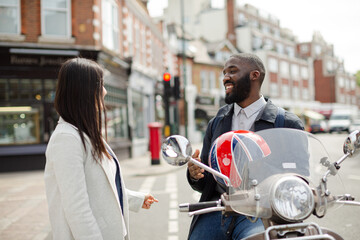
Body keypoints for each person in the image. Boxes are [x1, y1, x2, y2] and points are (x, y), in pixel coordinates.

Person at [187, 53, 304, 239]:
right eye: (224, 73)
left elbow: (300, 181)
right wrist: (196, 175)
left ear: (254, 75)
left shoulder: (288, 123)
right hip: (219, 208)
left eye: (232, 71)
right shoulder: (216, 122)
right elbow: (206, 183)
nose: (225, 77)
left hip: (263, 211)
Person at [44, 58, 158, 240]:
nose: (105, 92)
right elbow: (76, 207)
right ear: (84, 91)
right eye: (101, 85)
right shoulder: (66, 139)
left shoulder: (87, 134)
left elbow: (100, 189)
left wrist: (136, 199)